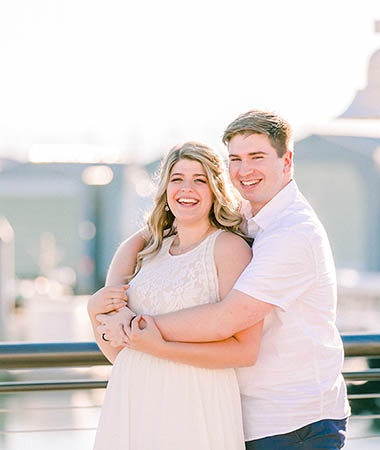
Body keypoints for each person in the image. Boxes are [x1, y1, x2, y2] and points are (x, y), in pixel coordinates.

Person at [97, 109, 351, 449]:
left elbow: (226, 319)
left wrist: (137, 327)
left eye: (257, 157)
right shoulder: (248, 215)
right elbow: (168, 225)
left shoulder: (293, 233)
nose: (245, 170)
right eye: (236, 159)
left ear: (286, 161)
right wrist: (105, 300)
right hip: (241, 415)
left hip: (294, 424)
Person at [88, 141, 264, 450]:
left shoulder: (229, 248)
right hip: (134, 401)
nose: (187, 188)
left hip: (196, 404)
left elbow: (243, 352)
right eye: (177, 178)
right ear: (166, 189)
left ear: (215, 190)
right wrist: (94, 314)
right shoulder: (147, 250)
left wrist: (161, 348)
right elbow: (123, 352)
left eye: (200, 180)